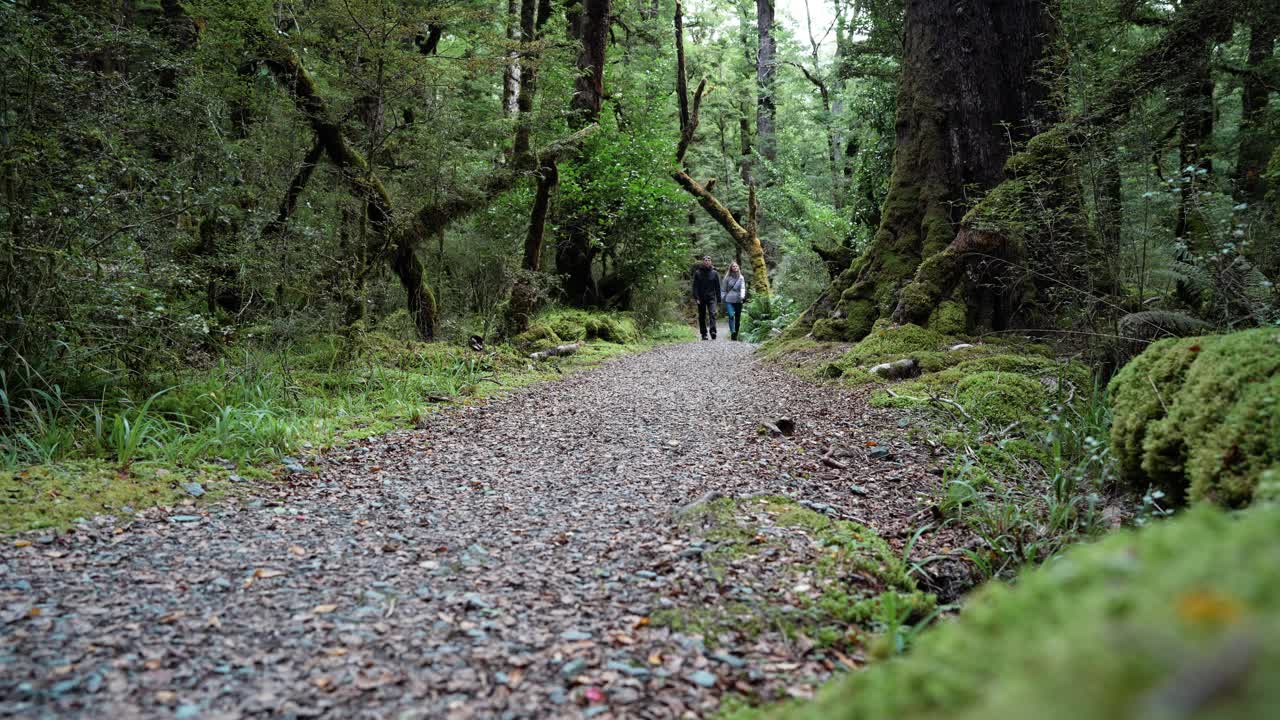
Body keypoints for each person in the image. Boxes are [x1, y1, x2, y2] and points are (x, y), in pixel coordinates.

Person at [691, 255, 720, 340]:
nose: (707, 261)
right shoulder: (698, 273)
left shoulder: (714, 273)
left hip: (711, 297)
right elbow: (695, 286)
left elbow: (717, 287)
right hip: (701, 298)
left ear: (711, 262)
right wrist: (696, 298)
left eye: (708, 260)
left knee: (712, 313)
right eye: (705, 260)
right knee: (702, 316)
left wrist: (718, 299)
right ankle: (704, 334)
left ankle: (713, 331)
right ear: (703, 262)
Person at [722, 261, 746, 340]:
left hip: (738, 299)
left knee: (738, 318)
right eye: (733, 266)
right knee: (731, 315)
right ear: (731, 268)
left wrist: (742, 296)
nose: (735, 268)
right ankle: (732, 331)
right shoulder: (727, 278)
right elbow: (723, 289)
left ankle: (735, 334)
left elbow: (742, 288)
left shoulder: (741, 277)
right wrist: (723, 297)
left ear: (738, 268)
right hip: (729, 299)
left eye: (736, 266)